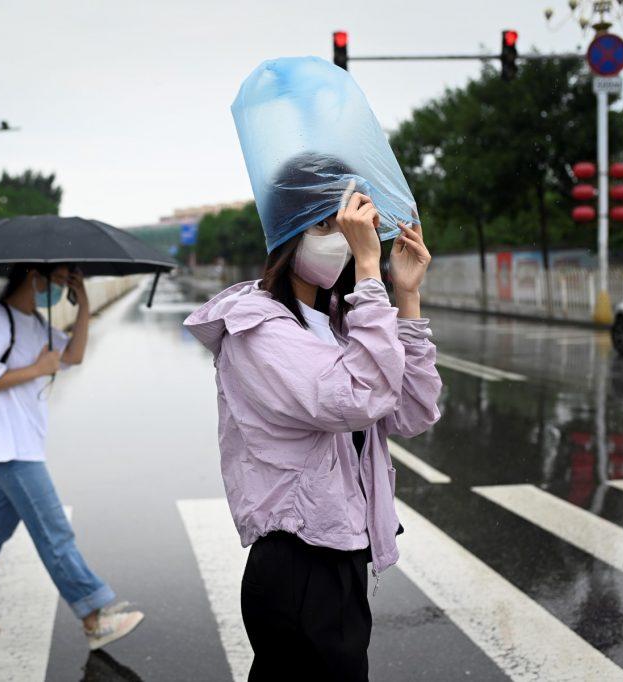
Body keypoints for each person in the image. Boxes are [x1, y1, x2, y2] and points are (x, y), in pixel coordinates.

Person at [184, 191, 442, 680]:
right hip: (297, 561)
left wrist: (405, 295)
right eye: (324, 228)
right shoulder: (257, 331)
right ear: (286, 237)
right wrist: (370, 270)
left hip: (340, 552)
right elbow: (360, 398)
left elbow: (411, 412)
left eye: (343, 228)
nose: (343, 241)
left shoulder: (335, 324)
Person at [0, 264, 144, 651]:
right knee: (54, 532)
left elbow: (75, 355)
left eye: (68, 281)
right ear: (35, 276)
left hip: (24, 443)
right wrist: (37, 368)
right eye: (60, 279)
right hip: (8, 446)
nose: (62, 286)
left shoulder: (34, 322)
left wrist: (81, 305)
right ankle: (95, 618)